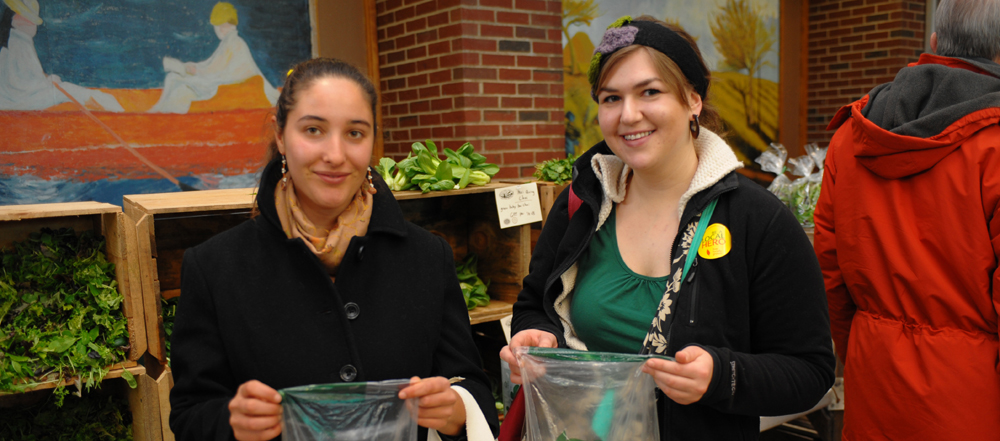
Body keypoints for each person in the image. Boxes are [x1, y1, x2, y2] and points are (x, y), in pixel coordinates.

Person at [499, 15, 835, 440]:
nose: (628, 115)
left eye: (650, 92)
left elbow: (810, 370)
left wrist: (723, 376)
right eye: (610, 98)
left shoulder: (758, 221)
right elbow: (534, 304)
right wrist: (538, 334)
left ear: (692, 99)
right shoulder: (581, 204)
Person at [169, 57, 499, 441]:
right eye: (313, 130)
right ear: (280, 136)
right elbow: (190, 414)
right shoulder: (214, 268)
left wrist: (456, 408)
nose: (336, 154)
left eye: (355, 133)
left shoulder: (427, 258)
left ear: (373, 140)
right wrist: (232, 422)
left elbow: (471, 385)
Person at [814, 0, 1000, 438]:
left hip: (873, 383)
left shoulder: (851, 136)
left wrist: (863, 347)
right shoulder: (993, 145)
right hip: (973, 401)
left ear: (934, 43)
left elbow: (830, 276)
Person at [149, 1, 279, 113]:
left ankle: (159, 112)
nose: (220, 29)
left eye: (223, 26)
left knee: (174, 79)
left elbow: (218, 71)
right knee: (174, 78)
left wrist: (196, 71)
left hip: (226, 88)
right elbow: (212, 64)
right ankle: (159, 109)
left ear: (230, 25)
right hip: (222, 85)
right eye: (219, 26)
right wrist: (195, 68)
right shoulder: (230, 42)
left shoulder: (234, 43)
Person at [0, 0, 123, 111]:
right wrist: (49, 82)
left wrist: (47, 80)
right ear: (15, 19)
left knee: (66, 89)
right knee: (68, 90)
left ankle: (106, 107)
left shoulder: (15, 41)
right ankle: (109, 110)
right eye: (31, 21)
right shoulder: (19, 43)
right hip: (20, 101)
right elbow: (21, 85)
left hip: (15, 98)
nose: (34, 26)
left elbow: (25, 77)